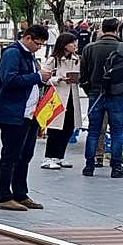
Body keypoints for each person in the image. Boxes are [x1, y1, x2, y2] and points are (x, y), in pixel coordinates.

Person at [0, 24, 53, 211]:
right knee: (11, 155)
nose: (39, 47)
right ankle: (3, 196)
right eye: (37, 43)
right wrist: (37, 76)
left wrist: (43, 79)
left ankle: (20, 193)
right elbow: (10, 79)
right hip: (12, 113)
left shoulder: (29, 55)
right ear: (28, 38)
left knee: (25, 155)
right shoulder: (13, 54)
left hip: (29, 113)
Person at [78, 18, 123, 178]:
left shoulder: (90, 48)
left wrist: (90, 90)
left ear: (102, 29)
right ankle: (116, 167)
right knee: (117, 132)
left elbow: (83, 74)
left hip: (96, 93)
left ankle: (89, 166)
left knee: (93, 131)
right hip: (118, 94)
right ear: (117, 29)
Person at [40, 32, 83, 170]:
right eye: (72, 43)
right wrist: (58, 79)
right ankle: (48, 157)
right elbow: (43, 78)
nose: (75, 45)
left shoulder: (76, 59)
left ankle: (59, 156)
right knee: (55, 128)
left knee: (68, 127)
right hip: (57, 96)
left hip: (72, 96)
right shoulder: (53, 60)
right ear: (64, 44)